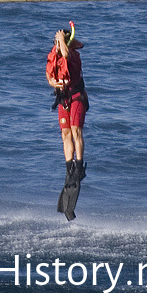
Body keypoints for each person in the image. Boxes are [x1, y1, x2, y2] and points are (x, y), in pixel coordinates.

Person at [48, 23, 87, 219]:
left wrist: (63, 40)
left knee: (75, 130)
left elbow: (66, 56)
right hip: (63, 99)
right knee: (65, 134)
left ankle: (78, 166)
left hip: (77, 96)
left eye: (61, 42)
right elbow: (49, 73)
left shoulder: (73, 56)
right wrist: (52, 82)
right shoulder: (53, 54)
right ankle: (69, 166)